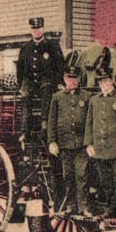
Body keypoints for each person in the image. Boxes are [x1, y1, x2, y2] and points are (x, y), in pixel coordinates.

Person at [84, 68, 116, 219]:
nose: (104, 84)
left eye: (106, 80)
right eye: (101, 81)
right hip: (100, 148)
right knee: (105, 182)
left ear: (112, 81)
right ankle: (110, 209)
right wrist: (89, 144)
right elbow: (89, 123)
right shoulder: (94, 100)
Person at [47, 64, 91, 215]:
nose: (72, 81)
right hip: (64, 145)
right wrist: (52, 142)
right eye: (69, 78)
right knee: (68, 176)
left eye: (75, 78)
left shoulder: (86, 96)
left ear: (79, 79)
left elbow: (91, 121)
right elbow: (52, 121)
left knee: (82, 175)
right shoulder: (57, 98)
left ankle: (83, 206)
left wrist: (89, 142)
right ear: (65, 79)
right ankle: (71, 205)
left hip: (81, 145)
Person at [16, 17, 65, 145]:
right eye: (34, 29)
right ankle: (24, 130)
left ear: (43, 29)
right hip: (30, 81)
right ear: (31, 30)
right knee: (25, 96)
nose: (36, 31)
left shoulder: (52, 46)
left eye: (39, 28)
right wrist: (20, 86)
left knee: (47, 90)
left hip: (46, 79)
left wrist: (60, 82)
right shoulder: (25, 48)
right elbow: (20, 68)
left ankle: (44, 123)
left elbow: (60, 65)